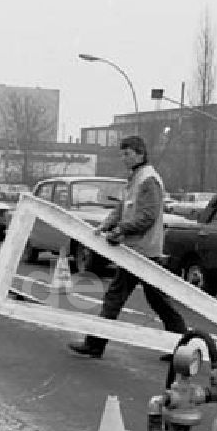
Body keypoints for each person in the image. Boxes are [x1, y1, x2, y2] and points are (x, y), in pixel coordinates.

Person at [68, 135, 187, 359]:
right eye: (122, 154)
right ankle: (182, 347)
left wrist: (121, 229)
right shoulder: (136, 178)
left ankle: (95, 345)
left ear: (140, 154)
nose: (123, 158)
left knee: (118, 297)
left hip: (143, 252)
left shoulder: (148, 180)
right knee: (157, 301)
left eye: (127, 154)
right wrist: (106, 225)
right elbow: (123, 207)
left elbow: (148, 217)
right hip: (135, 250)